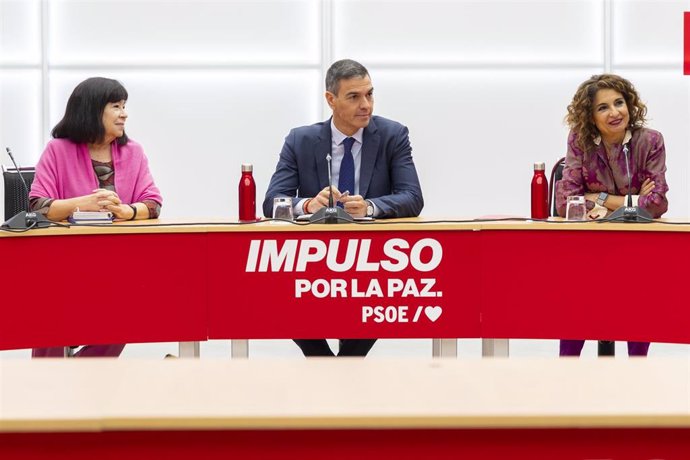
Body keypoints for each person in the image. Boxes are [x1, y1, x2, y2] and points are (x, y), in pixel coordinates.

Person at [263, 59, 424, 357]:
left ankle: (342, 369)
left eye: (370, 94)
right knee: (282, 297)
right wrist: (308, 204)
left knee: (377, 305)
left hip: (372, 263)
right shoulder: (301, 140)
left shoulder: (393, 135)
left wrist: (371, 207)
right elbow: (272, 202)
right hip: (313, 261)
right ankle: (329, 366)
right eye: (354, 97)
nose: (366, 105)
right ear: (330, 100)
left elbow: (413, 197)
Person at [29, 77, 163, 358]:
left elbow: (153, 203)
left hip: (116, 264)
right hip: (63, 263)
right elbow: (39, 205)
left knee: (124, 320)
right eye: (116, 106)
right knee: (49, 315)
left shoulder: (133, 151)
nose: (124, 113)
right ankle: (45, 386)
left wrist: (128, 211)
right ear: (92, 110)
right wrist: (82, 203)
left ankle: (82, 378)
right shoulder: (58, 150)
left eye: (124, 106)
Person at [555, 74, 668, 357]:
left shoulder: (650, 141)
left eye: (619, 103)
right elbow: (565, 202)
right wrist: (633, 200)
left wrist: (600, 198)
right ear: (590, 116)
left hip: (637, 245)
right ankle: (566, 372)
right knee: (578, 297)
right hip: (590, 246)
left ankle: (636, 372)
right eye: (603, 107)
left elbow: (655, 203)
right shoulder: (580, 141)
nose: (614, 112)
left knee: (640, 296)